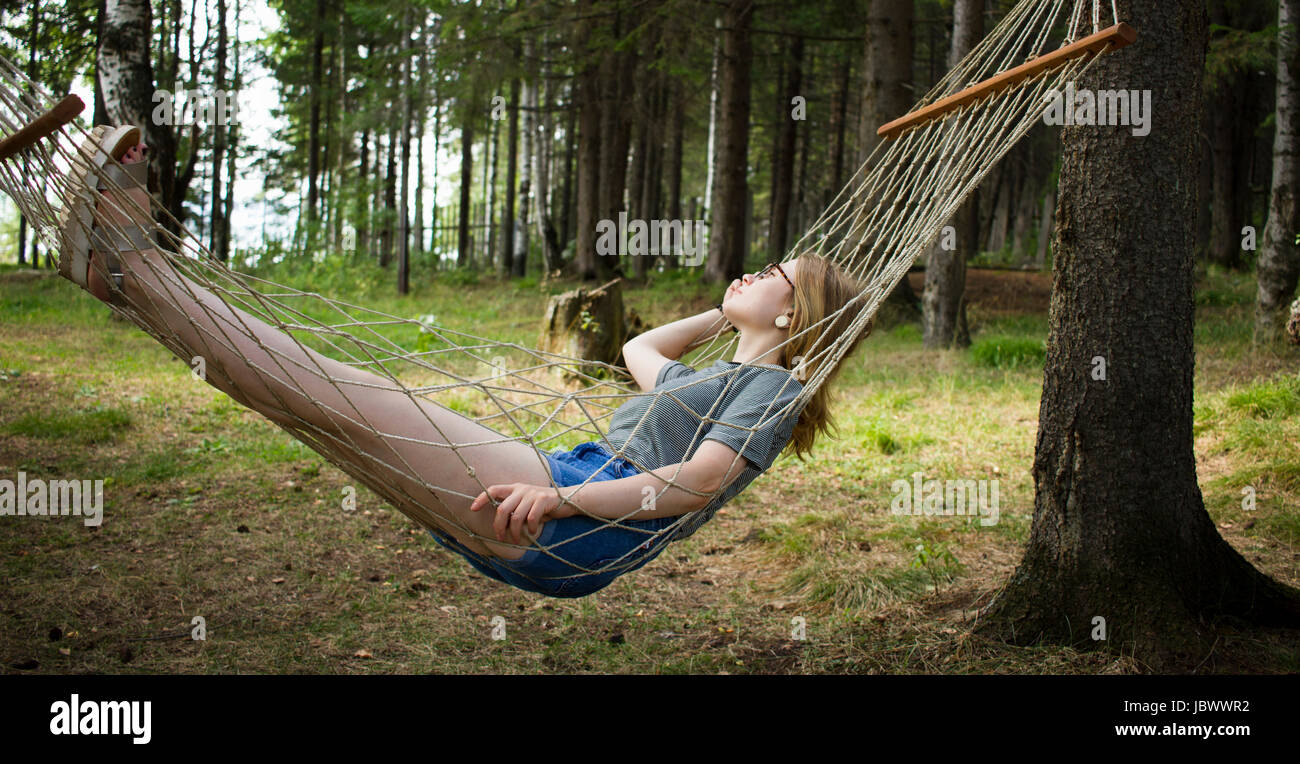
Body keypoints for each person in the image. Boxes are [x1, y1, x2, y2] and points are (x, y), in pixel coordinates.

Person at [62, 128, 869, 598]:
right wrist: (729, 314)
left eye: (773, 276)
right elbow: (637, 349)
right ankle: (128, 280)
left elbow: (694, 485)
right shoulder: (723, 379)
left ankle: (137, 270)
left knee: (332, 389)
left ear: (794, 315)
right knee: (312, 403)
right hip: (575, 496)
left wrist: (559, 499)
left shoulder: (772, 389)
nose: (753, 271)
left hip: (581, 521)